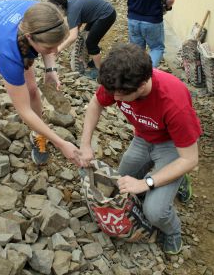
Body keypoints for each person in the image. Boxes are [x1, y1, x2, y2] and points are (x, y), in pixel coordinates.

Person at [80, 43, 201, 255]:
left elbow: (190, 159)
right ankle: (169, 179)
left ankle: (173, 230)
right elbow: (95, 104)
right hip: (143, 138)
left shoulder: (174, 103)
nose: (114, 99)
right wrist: (85, 144)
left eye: (121, 96)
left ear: (143, 84)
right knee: (121, 185)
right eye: (113, 93)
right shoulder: (119, 81)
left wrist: (146, 182)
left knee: (154, 212)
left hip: (173, 147)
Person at [0, 0, 82, 172]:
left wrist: (50, 69)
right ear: (29, 37)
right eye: (50, 47)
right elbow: (24, 111)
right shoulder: (9, 51)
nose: (55, 51)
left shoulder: (42, 14)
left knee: (31, 91)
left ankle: (39, 134)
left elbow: (49, 41)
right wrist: (60, 143)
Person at [49, 0, 116, 79]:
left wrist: (58, 49)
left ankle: (99, 71)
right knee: (86, 36)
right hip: (100, 13)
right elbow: (77, 24)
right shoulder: (71, 2)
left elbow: (73, 36)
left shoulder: (72, 12)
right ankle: (93, 62)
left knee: (91, 43)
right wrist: (64, 40)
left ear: (60, 7)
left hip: (107, 15)